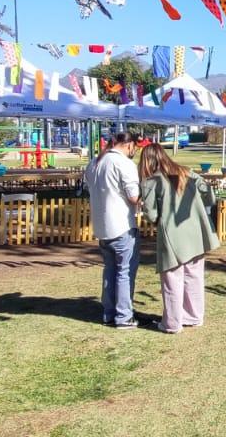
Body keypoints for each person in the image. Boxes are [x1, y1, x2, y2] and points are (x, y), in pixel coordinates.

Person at [138, 144, 219, 334]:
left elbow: (150, 214)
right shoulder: (187, 172)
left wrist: (158, 219)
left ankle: (172, 323)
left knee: (172, 278)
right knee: (194, 276)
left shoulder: (151, 181)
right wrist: (201, 208)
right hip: (196, 231)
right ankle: (193, 316)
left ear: (147, 161)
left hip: (172, 234)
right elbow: (210, 194)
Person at [84, 131, 142, 329]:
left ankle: (109, 313)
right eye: (135, 147)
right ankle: (124, 316)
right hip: (122, 225)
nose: (135, 151)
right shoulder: (124, 164)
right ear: (128, 145)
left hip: (102, 226)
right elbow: (134, 196)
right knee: (124, 272)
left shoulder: (94, 162)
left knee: (110, 270)